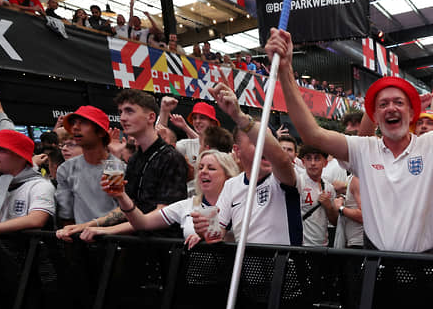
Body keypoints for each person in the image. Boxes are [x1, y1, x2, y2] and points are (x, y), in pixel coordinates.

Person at [265, 25, 433, 252]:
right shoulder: (363, 149)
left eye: (398, 102)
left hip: (425, 264)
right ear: (375, 116)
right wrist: (286, 69)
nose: (391, 108)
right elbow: (312, 134)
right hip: (376, 264)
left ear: (411, 113)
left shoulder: (432, 144)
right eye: (383, 104)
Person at [56, 89, 188, 241]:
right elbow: (128, 209)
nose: (123, 118)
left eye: (129, 111)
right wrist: (90, 224)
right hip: (135, 245)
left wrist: (105, 229)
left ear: (151, 117)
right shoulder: (135, 159)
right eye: (120, 112)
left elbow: (163, 215)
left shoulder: (170, 157)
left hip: (163, 249)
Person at [193, 82, 302, 245]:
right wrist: (203, 231)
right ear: (237, 150)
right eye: (256, 141)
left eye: (269, 140)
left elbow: (282, 160)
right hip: (247, 268)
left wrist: (239, 116)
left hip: (284, 268)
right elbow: (217, 234)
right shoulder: (231, 186)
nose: (265, 146)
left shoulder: (283, 178)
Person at [103, 149, 238, 249]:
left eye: (211, 168)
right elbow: (142, 223)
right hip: (194, 278)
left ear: (228, 176)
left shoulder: (240, 204)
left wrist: (205, 236)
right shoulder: (187, 205)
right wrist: (122, 196)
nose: (203, 171)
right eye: (201, 167)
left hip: (233, 279)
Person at [55, 106, 122, 227]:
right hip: (78, 238)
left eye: (84, 123)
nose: (75, 127)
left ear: (101, 132)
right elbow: (66, 214)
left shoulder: (117, 167)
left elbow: (125, 209)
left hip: (114, 238)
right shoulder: (66, 169)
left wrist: (92, 226)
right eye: (74, 123)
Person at [297, 145, 337, 247]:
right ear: (303, 162)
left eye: (317, 158)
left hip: (323, 245)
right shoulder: (298, 182)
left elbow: (335, 221)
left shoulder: (329, 188)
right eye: (309, 158)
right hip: (301, 246)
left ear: (325, 163)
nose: (313, 163)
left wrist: (329, 207)